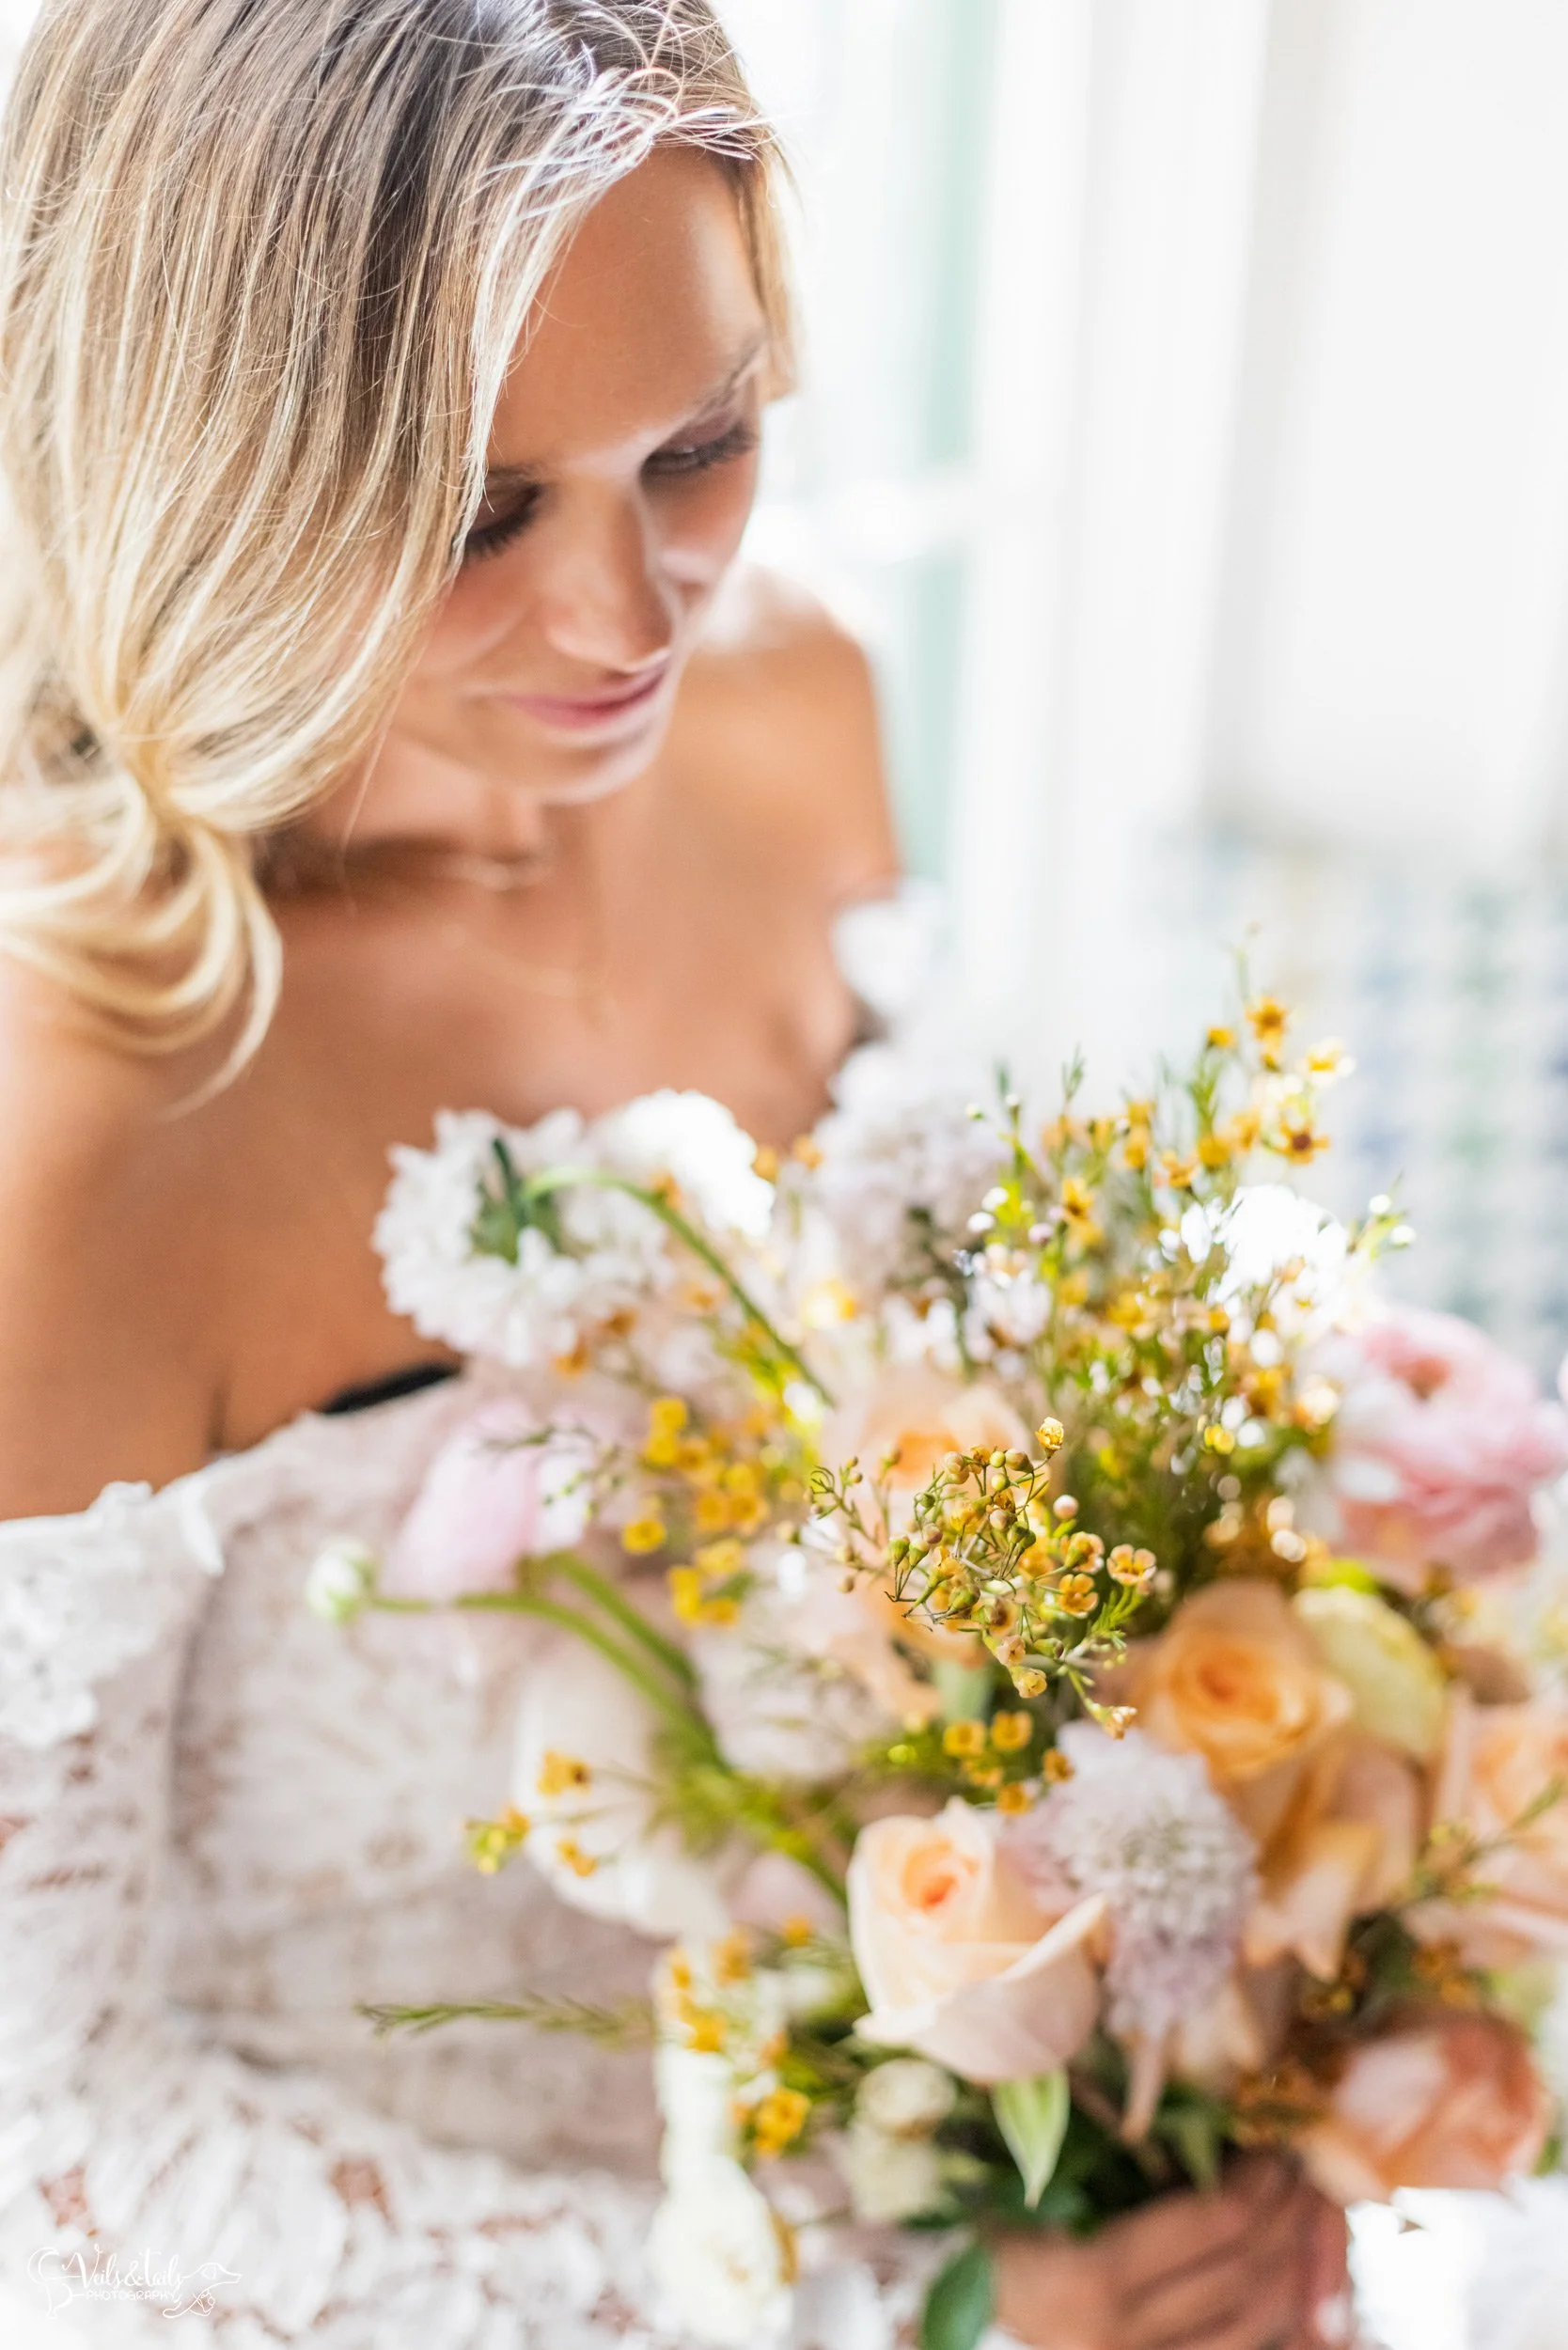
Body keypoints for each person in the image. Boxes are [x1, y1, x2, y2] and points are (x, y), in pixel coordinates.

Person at [0, 2, 1345, 2342]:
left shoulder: (796, 714)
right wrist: (892, 2315)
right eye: (470, 510)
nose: (632, 619)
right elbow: (49, 2150)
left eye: (699, 445)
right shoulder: (90, 1112)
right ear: (201, 470)